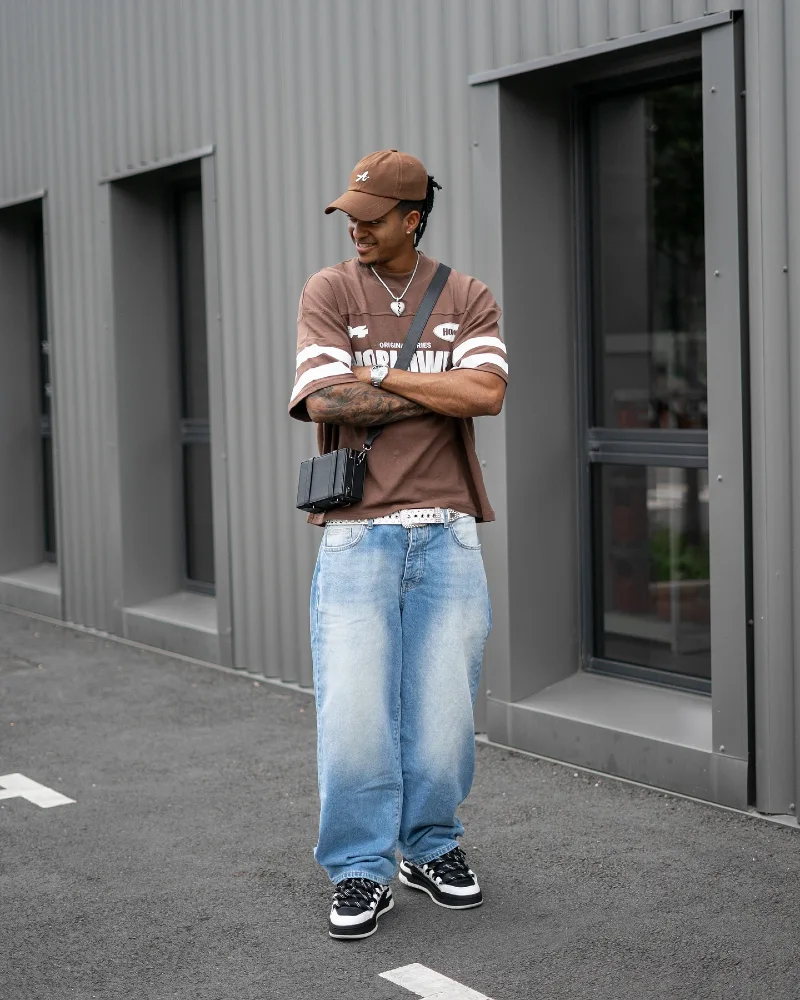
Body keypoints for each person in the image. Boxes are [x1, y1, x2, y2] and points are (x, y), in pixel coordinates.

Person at [288, 149, 507, 940]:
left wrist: (383, 383)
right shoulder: (330, 290)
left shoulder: (467, 294)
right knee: (354, 713)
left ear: (413, 218)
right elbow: (323, 393)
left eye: (372, 217)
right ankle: (358, 866)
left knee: (444, 714)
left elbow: (486, 392)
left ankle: (430, 845)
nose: (356, 230)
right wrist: (432, 384)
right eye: (350, 216)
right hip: (356, 534)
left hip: (446, 531)